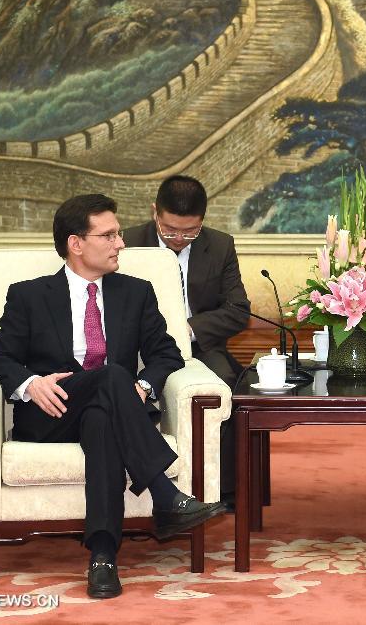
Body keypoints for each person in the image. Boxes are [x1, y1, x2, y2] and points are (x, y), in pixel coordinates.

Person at [0, 194, 226, 600]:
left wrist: (144, 386)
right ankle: (164, 494)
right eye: (109, 235)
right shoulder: (28, 295)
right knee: (111, 376)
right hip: (52, 414)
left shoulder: (136, 292)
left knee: (103, 415)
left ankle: (103, 558)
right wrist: (31, 384)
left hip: (113, 411)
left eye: (119, 234)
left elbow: (167, 353)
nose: (120, 244)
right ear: (76, 243)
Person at [123, 175, 250, 506]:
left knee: (227, 383)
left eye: (190, 231)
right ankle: (152, 488)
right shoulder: (128, 242)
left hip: (200, 347)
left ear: (203, 221)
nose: (179, 238)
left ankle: (219, 491)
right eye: (169, 230)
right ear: (155, 212)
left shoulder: (220, 245)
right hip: (139, 348)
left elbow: (238, 311)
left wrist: (187, 329)